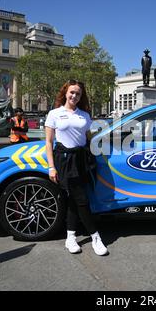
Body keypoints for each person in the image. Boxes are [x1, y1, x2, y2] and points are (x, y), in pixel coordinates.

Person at [45, 79, 108, 256]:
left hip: (82, 160)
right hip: (64, 160)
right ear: (65, 92)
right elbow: (49, 142)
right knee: (81, 199)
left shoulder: (85, 115)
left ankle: (70, 237)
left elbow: (89, 138)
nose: (74, 95)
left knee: (74, 199)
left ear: (81, 96)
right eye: (72, 92)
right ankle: (95, 237)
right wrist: (51, 167)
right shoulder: (54, 114)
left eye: (78, 93)